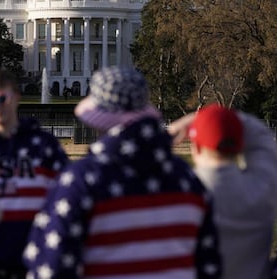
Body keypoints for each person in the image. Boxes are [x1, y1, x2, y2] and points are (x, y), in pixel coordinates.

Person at [23, 66, 222, 278]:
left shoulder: (81, 181)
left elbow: (51, 266)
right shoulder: (187, 178)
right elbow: (209, 264)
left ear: (96, 116)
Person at [0, 67, 69, 279]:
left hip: (36, 262)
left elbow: (66, 199)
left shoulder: (44, 145)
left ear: (16, 97)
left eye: (2, 99)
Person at [168, 104, 277, 279]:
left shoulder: (176, 193)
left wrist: (195, 120)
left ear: (195, 147)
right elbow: (262, 138)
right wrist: (222, 119)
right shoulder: (263, 185)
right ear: (240, 145)